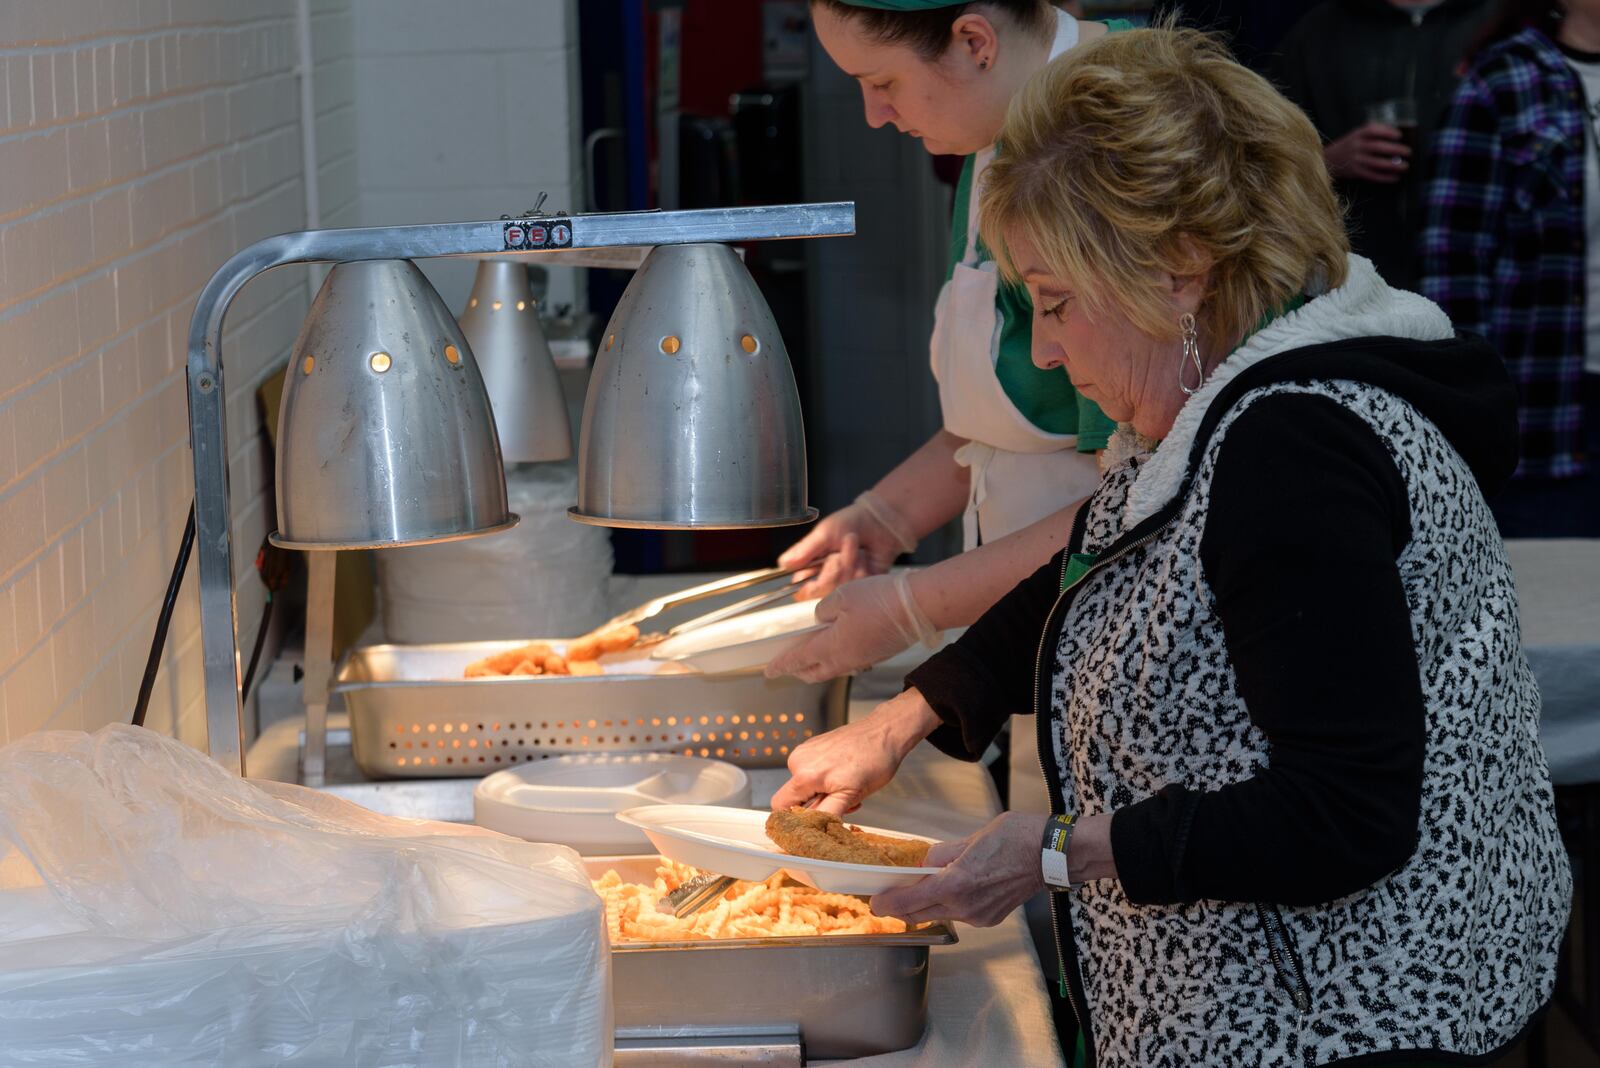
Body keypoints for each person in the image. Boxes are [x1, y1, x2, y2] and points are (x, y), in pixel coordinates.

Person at [774, 26, 1569, 1068]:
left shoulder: (1291, 446)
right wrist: (907, 718)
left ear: (1181, 270)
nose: (1048, 350)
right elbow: (1096, 569)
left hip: (1342, 1028)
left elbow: (1342, 814)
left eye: (1055, 304)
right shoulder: (1220, 401)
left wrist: (1058, 850)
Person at [769, 0, 1129, 696]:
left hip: (1129, 641)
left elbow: (1143, 495)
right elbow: (1022, 412)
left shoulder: (1107, 145)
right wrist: (885, 517)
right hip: (1039, 632)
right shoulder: (991, 130)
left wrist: (915, 607)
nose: (874, 113)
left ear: (974, 41)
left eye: (884, 82)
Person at [1419, 0, 1600, 536]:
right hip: (1553, 403)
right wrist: (1475, 403)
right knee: (1563, 598)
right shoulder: (1505, 81)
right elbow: (1454, 263)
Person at [1275, 0, 1493, 291]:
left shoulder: (1499, 22)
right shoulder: (1319, 32)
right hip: (1351, 287)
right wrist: (1327, 161)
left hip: (1471, 276)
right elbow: (1259, 163)